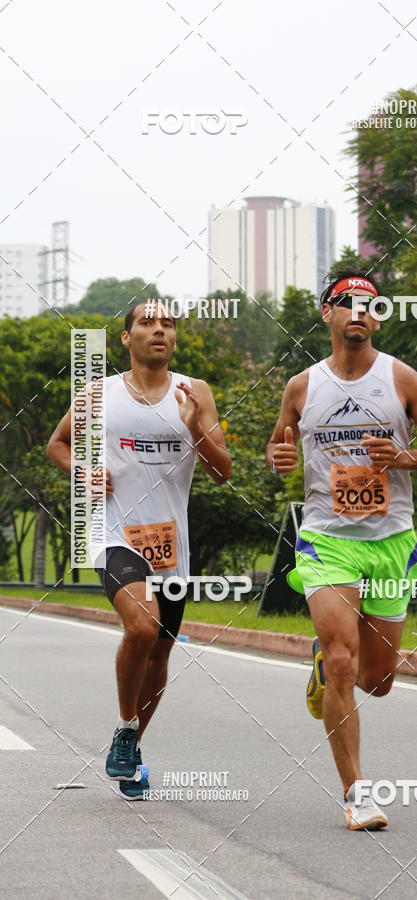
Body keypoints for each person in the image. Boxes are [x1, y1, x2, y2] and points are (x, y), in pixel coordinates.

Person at [266, 270, 417, 829]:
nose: (359, 312)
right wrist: (277, 457)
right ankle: (356, 795)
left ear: (378, 317)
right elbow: (280, 440)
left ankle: (323, 668)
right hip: (327, 540)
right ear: (327, 314)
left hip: (391, 541)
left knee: (377, 680)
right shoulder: (302, 386)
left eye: (370, 305)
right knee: (345, 662)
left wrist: (402, 458)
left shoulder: (401, 379)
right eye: (346, 303)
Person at [47, 300, 231, 799]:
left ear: (174, 339)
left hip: (172, 546)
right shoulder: (98, 393)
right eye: (147, 323)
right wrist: (81, 472)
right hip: (114, 534)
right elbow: (58, 444)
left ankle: (130, 743)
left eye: (168, 324)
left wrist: (194, 426)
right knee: (143, 627)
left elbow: (222, 470)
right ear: (126, 339)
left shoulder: (196, 392)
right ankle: (127, 730)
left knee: (160, 652)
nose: (159, 330)